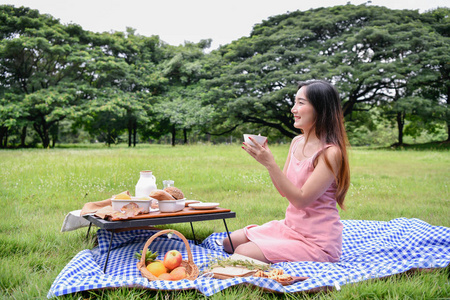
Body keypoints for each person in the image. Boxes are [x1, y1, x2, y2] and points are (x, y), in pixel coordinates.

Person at [222, 80, 350, 263]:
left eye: (300, 103)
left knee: (243, 252)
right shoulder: (296, 142)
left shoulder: (331, 153)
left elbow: (301, 200)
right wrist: (267, 163)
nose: (293, 109)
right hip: (290, 227)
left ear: (320, 109)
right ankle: (268, 242)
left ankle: (266, 246)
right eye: (294, 102)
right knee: (229, 242)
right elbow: (284, 191)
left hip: (316, 241)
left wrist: (271, 164)